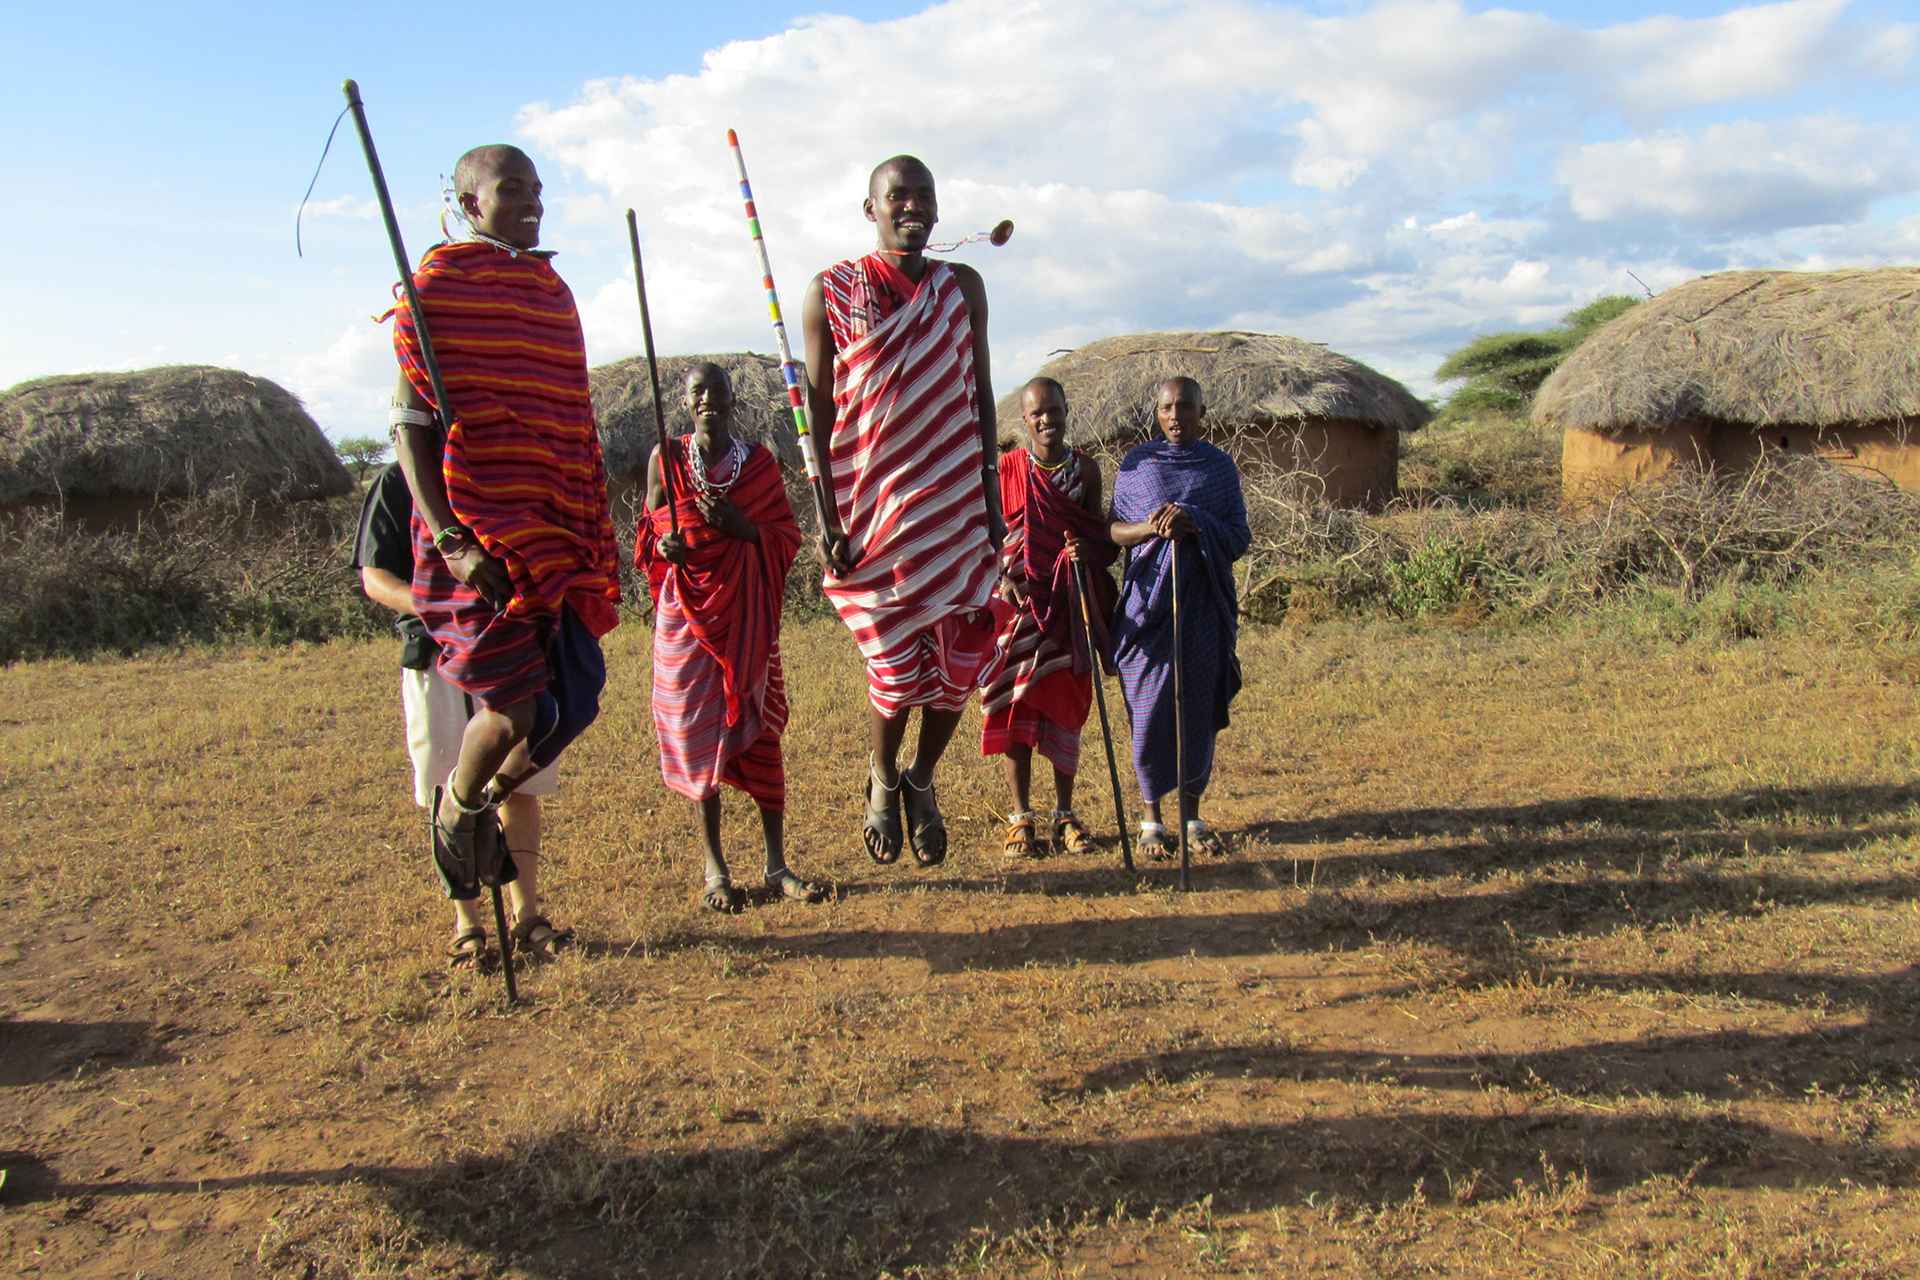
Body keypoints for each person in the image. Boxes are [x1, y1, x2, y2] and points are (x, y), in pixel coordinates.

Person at [383, 143, 621, 955]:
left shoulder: (551, 292)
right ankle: (457, 808)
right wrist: (452, 539)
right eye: (511, 189)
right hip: (476, 540)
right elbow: (411, 428)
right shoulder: (439, 290)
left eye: (539, 190)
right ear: (467, 201)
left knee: (573, 702)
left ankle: (477, 804)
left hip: (548, 533)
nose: (532, 202)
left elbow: (568, 419)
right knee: (511, 707)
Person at [799, 154, 1005, 868]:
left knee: (960, 662)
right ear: (871, 209)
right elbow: (819, 410)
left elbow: (980, 393)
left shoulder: (962, 286)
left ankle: (922, 779)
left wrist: (992, 501)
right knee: (892, 670)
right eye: (897, 197)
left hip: (954, 508)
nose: (912, 207)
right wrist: (826, 514)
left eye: (924, 196)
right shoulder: (831, 290)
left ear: (938, 209)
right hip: (873, 510)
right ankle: (884, 779)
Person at [352, 462, 565, 968]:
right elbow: (375, 578)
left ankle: (528, 916)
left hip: (514, 650)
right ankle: (467, 923)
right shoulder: (398, 481)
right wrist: (445, 608)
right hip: (436, 654)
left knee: (521, 784)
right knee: (449, 788)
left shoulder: (499, 466)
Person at [636, 363, 827, 912]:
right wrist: (665, 546)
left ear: (731, 400)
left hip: (745, 617)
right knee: (701, 738)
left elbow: (785, 536)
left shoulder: (759, 464)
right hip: (686, 618)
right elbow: (651, 526)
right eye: (698, 392)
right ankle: (715, 867)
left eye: (717, 393)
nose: (708, 402)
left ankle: (776, 863)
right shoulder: (664, 458)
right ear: (685, 400)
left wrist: (743, 527)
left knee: (760, 729)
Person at [1108, 377, 1250, 859]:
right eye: (1167, 408)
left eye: (1185, 407)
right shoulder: (1137, 466)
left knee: (1195, 713)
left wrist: (1192, 519)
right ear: (1156, 412)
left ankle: (1191, 815)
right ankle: (1151, 818)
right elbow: (1114, 533)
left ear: (1201, 412)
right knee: (1147, 714)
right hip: (1146, 613)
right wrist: (1153, 525)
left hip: (1202, 609)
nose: (1175, 416)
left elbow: (1237, 538)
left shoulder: (1219, 468)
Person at [981, 377, 1118, 858]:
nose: (1046, 421)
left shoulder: (1085, 471)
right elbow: (986, 537)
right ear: (1025, 419)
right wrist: (1003, 579)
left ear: (1066, 411)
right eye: (1036, 414)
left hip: (1066, 606)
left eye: (1053, 411)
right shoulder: (1005, 470)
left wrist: (1086, 550)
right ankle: (1021, 817)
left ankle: (1065, 813)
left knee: (1064, 708)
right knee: (1014, 706)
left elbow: (1099, 536)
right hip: (1016, 608)